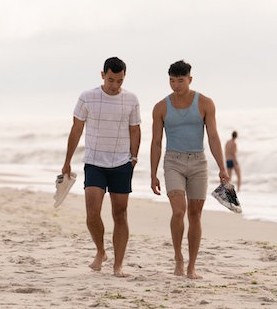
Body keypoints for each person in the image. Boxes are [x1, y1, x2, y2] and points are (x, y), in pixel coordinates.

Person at [62, 57, 141, 277]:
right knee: (92, 213)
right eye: (110, 80)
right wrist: (67, 161)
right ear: (102, 75)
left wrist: (133, 159)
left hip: (121, 163)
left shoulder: (131, 99)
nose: (115, 86)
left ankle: (118, 265)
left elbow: (135, 130)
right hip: (94, 162)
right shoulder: (88, 97)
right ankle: (100, 251)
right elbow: (76, 129)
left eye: (119, 81)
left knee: (120, 213)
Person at [150, 60, 228, 279]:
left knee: (195, 215)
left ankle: (192, 266)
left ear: (190, 79)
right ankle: (178, 258)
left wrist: (222, 167)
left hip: (198, 163)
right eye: (172, 81)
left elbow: (213, 136)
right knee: (178, 211)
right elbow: (156, 142)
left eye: (181, 81)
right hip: (172, 161)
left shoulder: (205, 103)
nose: (176, 85)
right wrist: (153, 172)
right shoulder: (160, 107)